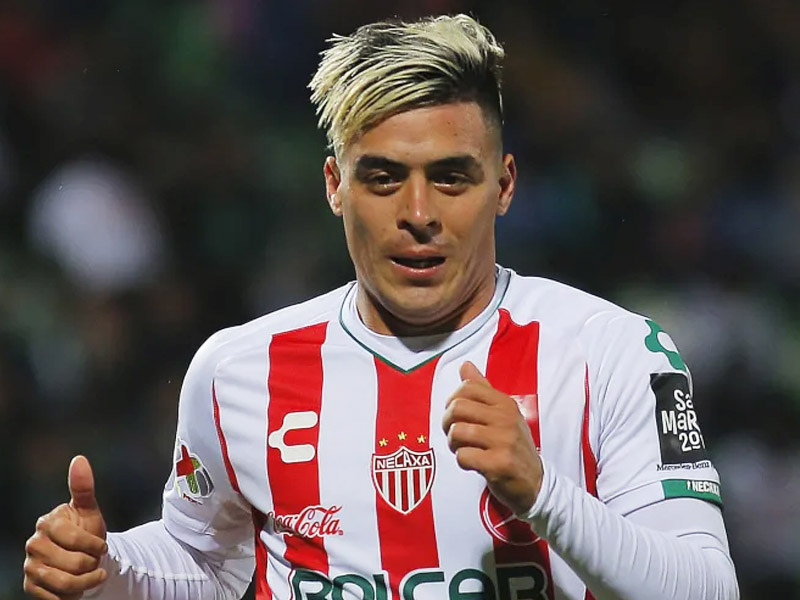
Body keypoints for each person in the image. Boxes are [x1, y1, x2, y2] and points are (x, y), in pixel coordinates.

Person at [23, 14, 739, 600]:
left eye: (451, 178)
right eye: (384, 178)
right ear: (334, 185)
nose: (418, 213)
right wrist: (103, 571)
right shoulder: (238, 370)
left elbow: (708, 589)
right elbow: (205, 561)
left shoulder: (612, 352)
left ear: (504, 185)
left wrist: (543, 491)